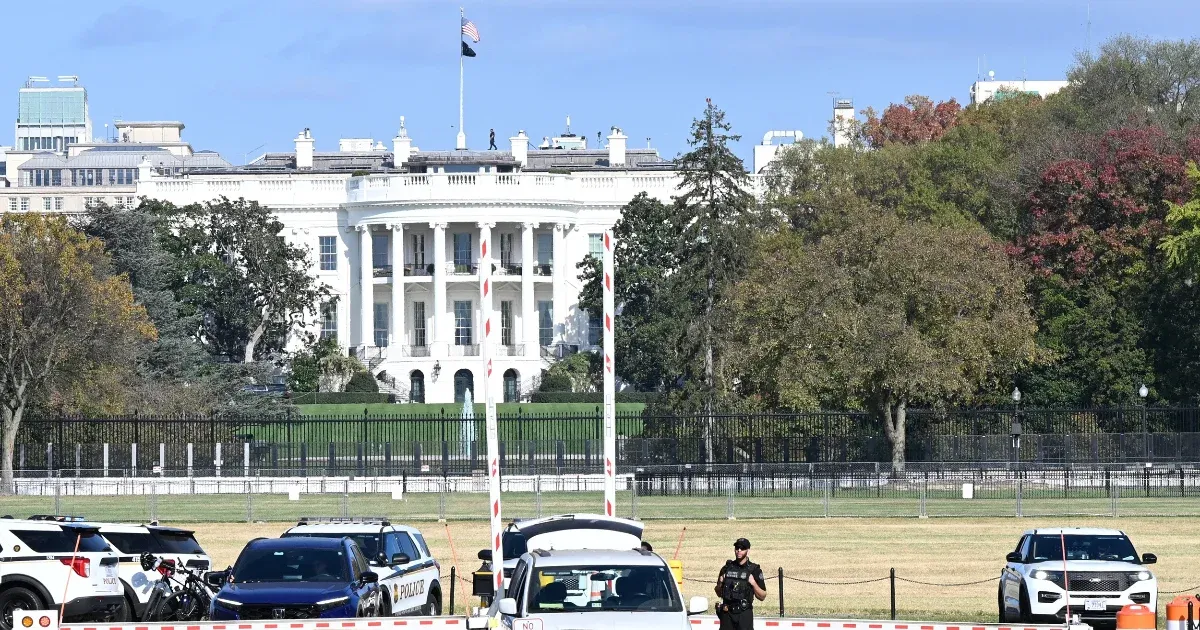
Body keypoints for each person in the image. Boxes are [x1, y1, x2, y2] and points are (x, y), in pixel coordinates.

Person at [714, 538, 766, 630]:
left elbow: (762, 596)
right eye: (737, 548)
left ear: (748, 551)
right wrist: (720, 583)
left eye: (742, 548)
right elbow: (719, 593)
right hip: (727, 613)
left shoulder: (754, 570)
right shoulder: (727, 568)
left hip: (744, 613)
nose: (739, 550)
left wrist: (753, 583)